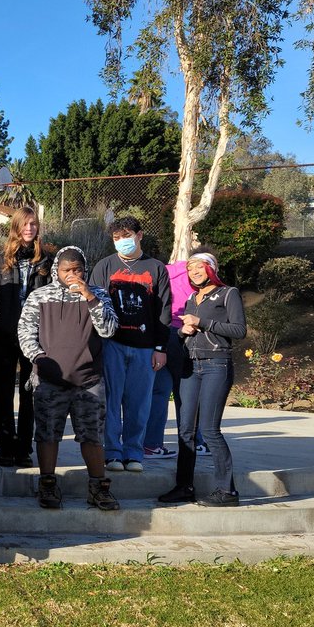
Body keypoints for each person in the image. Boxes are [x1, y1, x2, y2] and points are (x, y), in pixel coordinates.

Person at [18, 246, 120, 511]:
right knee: (47, 434)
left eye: (78, 269)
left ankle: (98, 488)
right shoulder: (40, 296)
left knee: (92, 436)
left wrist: (89, 298)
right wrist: (39, 359)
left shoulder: (99, 294)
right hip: (50, 379)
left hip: (89, 379)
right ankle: (47, 484)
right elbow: (25, 332)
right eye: (67, 270)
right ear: (56, 271)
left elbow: (108, 330)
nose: (73, 274)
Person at [158, 249, 247, 507]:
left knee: (209, 429)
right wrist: (182, 332)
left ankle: (227, 491)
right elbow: (187, 333)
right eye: (190, 268)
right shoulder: (192, 298)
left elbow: (239, 330)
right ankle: (184, 486)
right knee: (185, 430)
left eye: (199, 267)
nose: (193, 272)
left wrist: (203, 321)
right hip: (190, 366)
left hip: (216, 365)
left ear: (212, 268)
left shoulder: (228, 293)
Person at [89, 215, 171, 473]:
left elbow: (163, 311)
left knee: (139, 403)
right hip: (111, 345)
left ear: (139, 235)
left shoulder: (156, 268)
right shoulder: (104, 266)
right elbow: (94, 306)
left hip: (145, 348)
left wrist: (160, 348)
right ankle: (112, 453)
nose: (122, 241)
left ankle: (134, 453)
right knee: (111, 402)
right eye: (116, 238)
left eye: (126, 236)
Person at [0, 207, 56, 468]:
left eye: (33, 224)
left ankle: (24, 448)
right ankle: (5, 446)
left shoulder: (46, 260)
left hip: (35, 336)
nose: (29, 229)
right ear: (16, 227)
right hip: (5, 333)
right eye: (25, 224)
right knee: (3, 392)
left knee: (30, 392)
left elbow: (51, 296)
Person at [142, 257, 190, 459]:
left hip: (158, 333)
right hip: (182, 333)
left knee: (159, 391)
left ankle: (150, 444)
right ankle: (195, 442)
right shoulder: (199, 277)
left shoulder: (162, 271)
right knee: (187, 391)